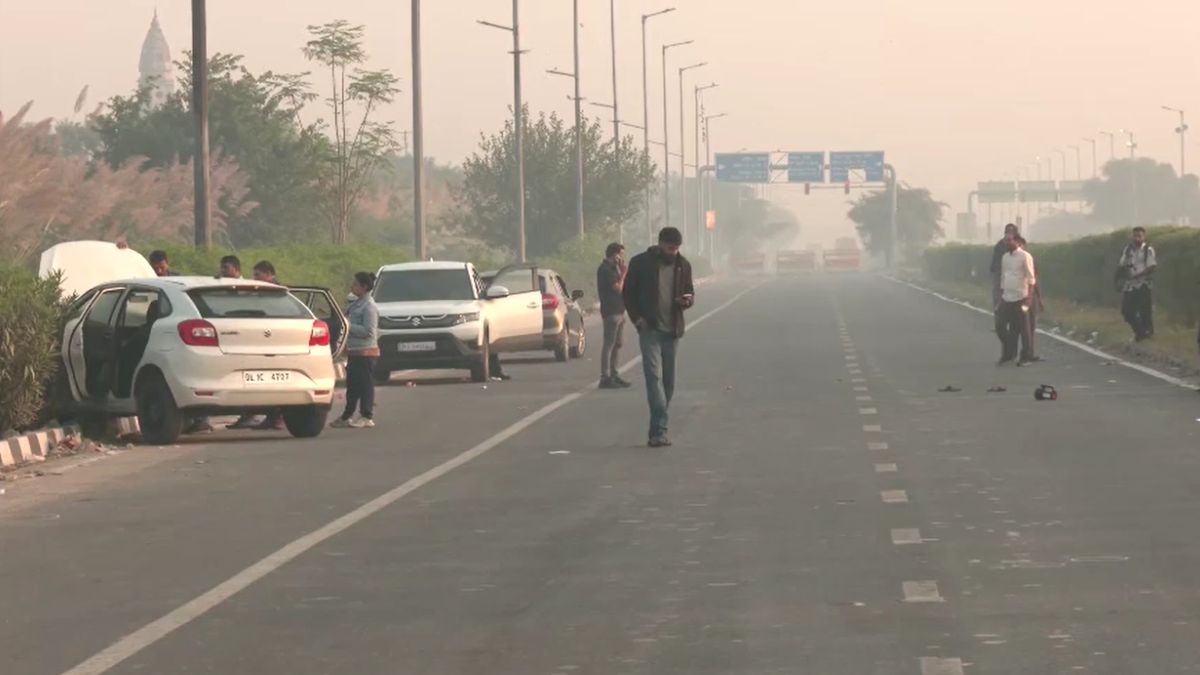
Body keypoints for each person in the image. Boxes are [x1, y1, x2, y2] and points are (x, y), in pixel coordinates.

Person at [622, 227, 695, 447]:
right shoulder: (641, 263)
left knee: (668, 382)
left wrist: (687, 301)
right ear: (661, 244)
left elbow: (690, 291)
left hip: (672, 330)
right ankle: (659, 430)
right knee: (653, 378)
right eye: (670, 248)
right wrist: (637, 318)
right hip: (650, 330)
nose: (673, 252)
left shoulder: (683, 265)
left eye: (676, 248)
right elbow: (628, 294)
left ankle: (658, 426)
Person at [185, 256, 244, 434]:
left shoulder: (246, 290)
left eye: (226, 268)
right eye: (222, 268)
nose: (223, 272)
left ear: (236, 269)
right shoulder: (220, 286)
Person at [229, 260, 286, 431]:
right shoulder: (261, 293)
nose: (254, 279)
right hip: (262, 344)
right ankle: (270, 417)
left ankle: (278, 418)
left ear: (269, 275)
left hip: (275, 344)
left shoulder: (277, 293)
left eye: (258, 275)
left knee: (277, 384)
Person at [332, 272, 380, 429]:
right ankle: (347, 415)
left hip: (366, 352)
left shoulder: (369, 307)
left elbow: (369, 331)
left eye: (355, 284)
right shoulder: (355, 304)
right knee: (352, 386)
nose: (352, 287)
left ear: (364, 287)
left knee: (366, 385)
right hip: (354, 352)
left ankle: (367, 415)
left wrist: (349, 326)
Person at [996, 233, 1037, 366]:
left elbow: (1031, 279)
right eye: (1005, 241)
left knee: (1024, 329)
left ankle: (1025, 356)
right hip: (1007, 297)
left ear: (1017, 241)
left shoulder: (1025, 256)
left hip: (1021, 297)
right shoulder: (1005, 257)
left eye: (1009, 241)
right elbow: (1003, 277)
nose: (1007, 243)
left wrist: (1029, 298)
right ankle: (1009, 353)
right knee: (1000, 326)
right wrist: (1000, 298)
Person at [597, 242, 632, 389]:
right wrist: (623, 273)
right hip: (611, 311)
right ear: (615, 254)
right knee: (609, 345)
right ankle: (605, 377)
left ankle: (614, 374)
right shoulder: (605, 269)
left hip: (620, 310)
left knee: (618, 344)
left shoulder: (614, 268)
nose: (623, 258)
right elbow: (618, 288)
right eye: (621, 255)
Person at [1117, 226, 1157, 341]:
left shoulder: (1147, 250)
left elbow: (1152, 266)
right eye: (1135, 236)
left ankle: (1145, 334)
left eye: (1139, 236)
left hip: (1143, 284)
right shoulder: (1128, 249)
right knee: (1126, 311)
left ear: (1144, 237)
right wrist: (1122, 276)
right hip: (1130, 285)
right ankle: (1139, 331)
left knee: (1145, 311)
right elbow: (1122, 264)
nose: (1137, 238)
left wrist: (1138, 275)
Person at [989, 223, 1020, 310]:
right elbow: (996, 263)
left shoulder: (1019, 245)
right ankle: (997, 309)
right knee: (997, 295)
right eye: (1008, 232)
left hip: (1015, 275)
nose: (1009, 235)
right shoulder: (999, 245)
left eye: (1011, 232)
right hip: (1000, 274)